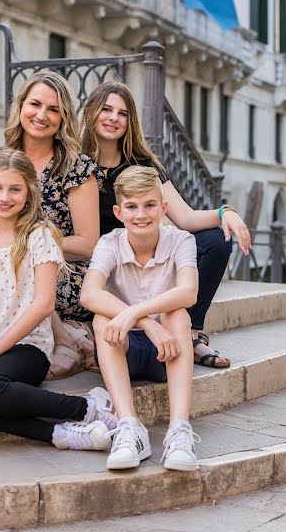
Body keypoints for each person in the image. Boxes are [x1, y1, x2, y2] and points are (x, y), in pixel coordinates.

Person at [0, 149, 117, 450]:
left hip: (28, 348)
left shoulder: (39, 235)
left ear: (29, 194)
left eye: (15, 189)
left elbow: (43, 304)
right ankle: (59, 434)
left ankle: (86, 407)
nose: (5, 197)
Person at [79, 81, 251, 369]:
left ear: (130, 120)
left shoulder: (143, 164)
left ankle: (191, 335)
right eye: (106, 109)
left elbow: (184, 218)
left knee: (215, 240)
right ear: (91, 112)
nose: (113, 118)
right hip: (99, 262)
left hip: (143, 256)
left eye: (122, 113)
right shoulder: (74, 162)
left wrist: (225, 212)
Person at [0, 71, 102, 380]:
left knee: (22, 271)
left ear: (64, 117)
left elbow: (88, 243)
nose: (42, 115)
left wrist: (27, 244)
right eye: (35, 104)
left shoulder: (76, 168)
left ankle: (66, 341)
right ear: (20, 106)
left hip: (63, 271)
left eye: (53, 109)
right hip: (2, 267)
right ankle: (71, 337)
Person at [80, 165, 200, 470]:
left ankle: (179, 431)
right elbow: (89, 294)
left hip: (167, 351)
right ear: (119, 213)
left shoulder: (181, 240)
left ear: (164, 208)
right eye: (131, 207)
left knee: (178, 315)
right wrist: (146, 323)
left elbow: (189, 292)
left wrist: (134, 312)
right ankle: (129, 426)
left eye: (149, 205)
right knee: (101, 319)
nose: (141, 215)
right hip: (125, 347)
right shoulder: (110, 243)